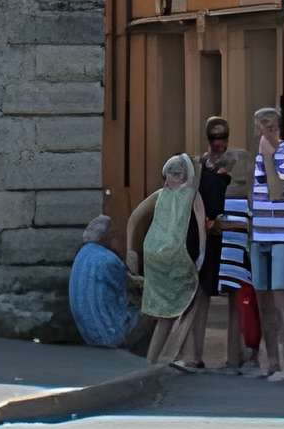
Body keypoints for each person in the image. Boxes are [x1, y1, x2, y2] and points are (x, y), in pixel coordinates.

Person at [122, 152, 207, 370]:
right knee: (185, 302)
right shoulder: (192, 194)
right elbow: (201, 225)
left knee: (167, 309)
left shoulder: (159, 195)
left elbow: (134, 218)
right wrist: (202, 254)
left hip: (152, 253)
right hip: (176, 254)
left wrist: (131, 250)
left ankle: (175, 357)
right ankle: (165, 358)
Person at [247, 105, 284, 382]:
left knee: (282, 300)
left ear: (274, 127)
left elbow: (276, 191)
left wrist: (270, 157)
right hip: (261, 235)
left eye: (265, 127)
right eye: (259, 127)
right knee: (263, 300)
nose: (260, 133)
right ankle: (271, 362)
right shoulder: (261, 157)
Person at [197, 116, 256, 373]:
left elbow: (251, 195)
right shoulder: (200, 165)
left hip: (234, 236)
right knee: (201, 295)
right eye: (214, 138)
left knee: (236, 295)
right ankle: (194, 354)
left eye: (222, 138)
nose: (219, 143)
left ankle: (234, 356)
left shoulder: (240, 161)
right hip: (210, 237)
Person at [68, 213, 144, 351]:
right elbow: (128, 292)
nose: (119, 240)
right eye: (116, 236)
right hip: (110, 335)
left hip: (87, 334)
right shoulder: (110, 260)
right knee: (153, 311)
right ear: (107, 237)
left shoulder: (82, 253)